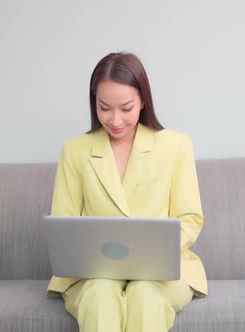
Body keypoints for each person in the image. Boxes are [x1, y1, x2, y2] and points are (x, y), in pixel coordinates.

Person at [47, 52, 208, 332]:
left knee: (145, 295)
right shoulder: (75, 151)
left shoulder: (176, 145)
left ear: (143, 100)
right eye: (104, 107)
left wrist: (156, 252)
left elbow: (190, 217)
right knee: (99, 296)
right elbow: (64, 222)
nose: (115, 120)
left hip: (162, 273)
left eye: (126, 107)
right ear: (93, 103)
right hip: (92, 274)